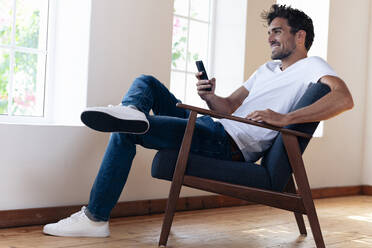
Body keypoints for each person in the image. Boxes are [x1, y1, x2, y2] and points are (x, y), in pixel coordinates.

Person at [43, 4, 353, 237]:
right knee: (147, 82)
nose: (269, 37)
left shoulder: (313, 65)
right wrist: (209, 97)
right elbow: (229, 105)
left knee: (125, 131)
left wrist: (286, 117)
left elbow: (343, 98)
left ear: (300, 36)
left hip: (226, 143)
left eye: (277, 31)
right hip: (215, 125)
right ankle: (133, 112)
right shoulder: (267, 70)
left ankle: (95, 217)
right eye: (269, 31)